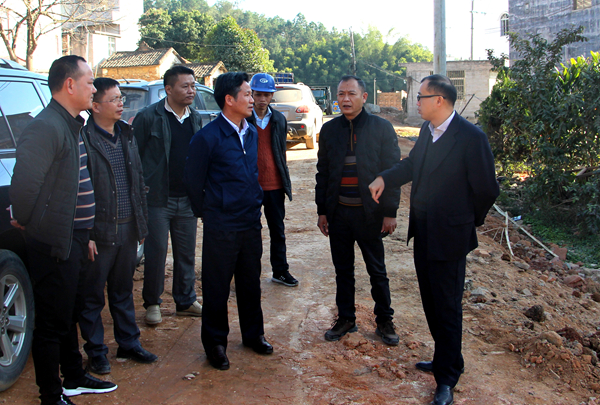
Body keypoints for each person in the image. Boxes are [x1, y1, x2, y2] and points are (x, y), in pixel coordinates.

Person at [369, 74, 499, 405]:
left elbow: (487, 189)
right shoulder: (428, 131)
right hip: (424, 230)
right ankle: (448, 358)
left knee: (447, 307)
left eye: (421, 97)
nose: (416, 102)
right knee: (431, 301)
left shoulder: (470, 138)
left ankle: (446, 378)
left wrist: (467, 220)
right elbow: (412, 166)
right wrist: (384, 177)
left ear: (439, 100)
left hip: (451, 236)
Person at [9, 55, 117, 405]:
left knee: (70, 312)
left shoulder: (71, 124)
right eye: (89, 82)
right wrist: (29, 220)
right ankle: (51, 395)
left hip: (76, 238)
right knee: (52, 322)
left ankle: (74, 377)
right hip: (55, 240)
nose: (94, 89)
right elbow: (24, 187)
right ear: (70, 85)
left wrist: (86, 234)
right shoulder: (46, 127)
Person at [184, 72, 272, 371]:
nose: (252, 99)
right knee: (217, 287)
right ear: (229, 100)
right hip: (221, 226)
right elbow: (193, 182)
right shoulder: (207, 137)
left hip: (249, 222)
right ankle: (215, 344)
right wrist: (211, 212)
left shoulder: (251, 132)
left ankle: (253, 335)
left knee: (250, 284)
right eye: (247, 94)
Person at [79, 78, 158, 375]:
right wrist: (87, 234)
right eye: (113, 99)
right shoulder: (84, 139)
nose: (121, 104)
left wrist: (141, 223)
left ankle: (129, 343)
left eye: (121, 98)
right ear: (95, 106)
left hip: (128, 227)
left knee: (123, 290)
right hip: (99, 231)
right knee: (92, 296)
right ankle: (96, 351)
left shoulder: (126, 133)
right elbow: (79, 189)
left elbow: (137, 179)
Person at [315, 75, 401, 346]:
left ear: (364, 97)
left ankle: (384, 320)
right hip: (339, 214)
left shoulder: (381, 128)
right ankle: (346, 318)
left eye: (351, 94)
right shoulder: (330, 130)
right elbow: (323, 173)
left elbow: (393, 172)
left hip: (370, 215)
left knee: (377, 270)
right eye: (341, 94)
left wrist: (390, 212)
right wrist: (322, 211)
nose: (345, 99)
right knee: (343, 270)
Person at [132, 65, 203, 325]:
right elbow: (135, 158)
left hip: (186, 199)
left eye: (193, 86)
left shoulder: (195, 117)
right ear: (169, 89)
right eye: (185, 86)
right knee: (156, 253)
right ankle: (152, 302)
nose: (191, 91)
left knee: (186, 254)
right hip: (157, 199)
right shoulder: (148, 117)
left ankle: (185, 300)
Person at [247, 73, 297, 287]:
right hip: (250, 186)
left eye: (266, 95)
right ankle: (250, 273)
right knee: (250, 232)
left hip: (274, 184)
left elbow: (280, 152)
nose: (262, 99)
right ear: (251, 94)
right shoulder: (244, 118)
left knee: (277, 230)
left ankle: (280, 271)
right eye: (258, 94)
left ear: (272, 96)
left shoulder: (278, 119)